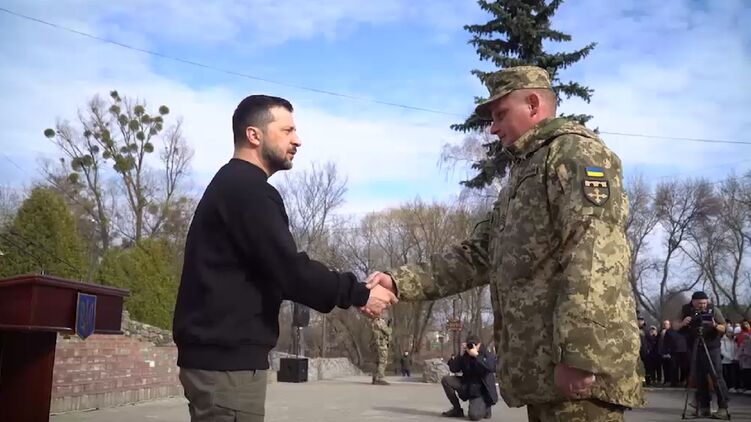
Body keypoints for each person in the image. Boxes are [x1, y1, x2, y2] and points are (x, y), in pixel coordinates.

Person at [366, 66, 643, 421]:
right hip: (547, 371)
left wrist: (579, 353)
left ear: (533, 104)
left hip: (578, 374)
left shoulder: (574, 153)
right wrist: (398, 281)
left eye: (500, 115)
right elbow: (478, 255)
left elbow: (594, 252)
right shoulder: (525, 173)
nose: (493, 128)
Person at [172, 94, 396, 422]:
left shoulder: (234, 186)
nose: (297, 140)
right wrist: (359, 293)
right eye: (287, 130)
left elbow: (276, 270)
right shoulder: (247, 190)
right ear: (254, 135)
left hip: (219, 364)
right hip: (226, 368)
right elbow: (290, 271)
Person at [673, 291, 728, 418]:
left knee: (716, 376)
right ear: (692, 302)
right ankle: (704, 407)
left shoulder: (713, 309)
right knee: (700, 377)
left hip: (712, 346)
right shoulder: (685, 310)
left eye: (704, 303)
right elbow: (674, 325)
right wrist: (682, 323)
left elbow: (724, 327)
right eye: (699, 304)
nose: (702, 306)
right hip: (695, 345)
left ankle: (723, 407)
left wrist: (715, 325)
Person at [441, 334, 498, 420]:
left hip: (481, 391)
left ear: (479, 344)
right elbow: (453, 369)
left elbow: (491, 367)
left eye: (474, 345)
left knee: (474, 416)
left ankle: (486, 407)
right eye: (470, 345)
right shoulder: (465, 355)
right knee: (446, 380)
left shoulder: (486, 354)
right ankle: (457, 409)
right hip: (467, 385)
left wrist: (477, 356)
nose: (472, 347)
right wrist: (459, 355)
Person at [370, 315, 392, 385]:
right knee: (383, 361)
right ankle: (380, 378)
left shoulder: (373, 322)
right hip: (381, 344)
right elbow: (388, 332)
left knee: (376, 362)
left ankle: (375, 377)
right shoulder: (381, 322)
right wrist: (389, 327)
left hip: (375, 344)